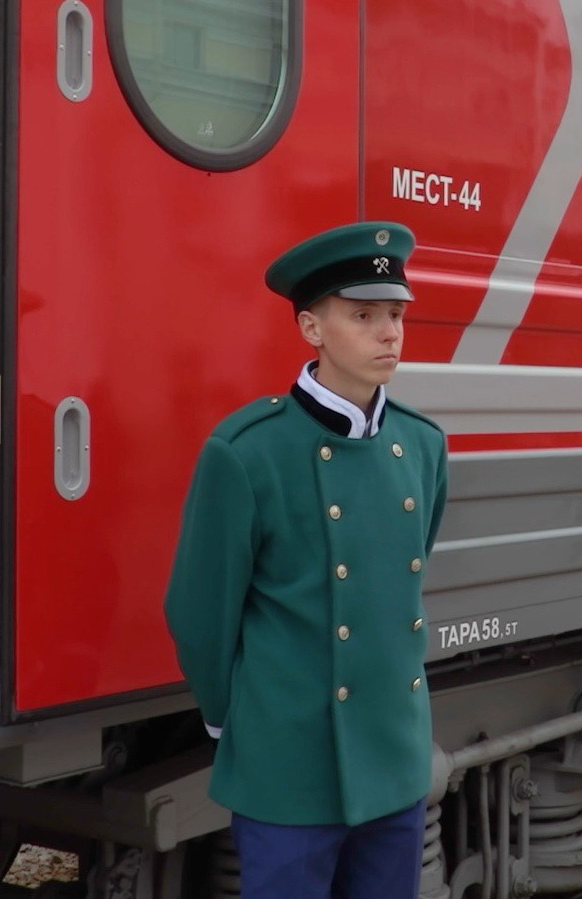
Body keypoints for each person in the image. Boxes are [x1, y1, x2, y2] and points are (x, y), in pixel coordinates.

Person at [164, 221, 447, 899]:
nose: (389, 333)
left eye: (396, 314)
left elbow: (401, 588)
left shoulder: (422, 444)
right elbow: (200, 613)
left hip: (394, 762)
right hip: (286, 767)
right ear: (311, 328)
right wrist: (242, 723)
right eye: (363, 315)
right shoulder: (246, 451)